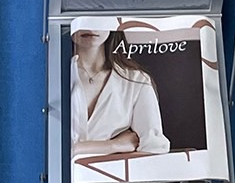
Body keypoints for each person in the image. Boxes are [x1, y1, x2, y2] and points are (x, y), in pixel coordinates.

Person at [70, 20, 169, 164]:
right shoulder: (49, 78)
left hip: (114, 178)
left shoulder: (136, 81)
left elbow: (155, 150)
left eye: (98, 15)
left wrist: (78, 149)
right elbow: (45, 150)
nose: (90, 25)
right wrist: (113, 146)